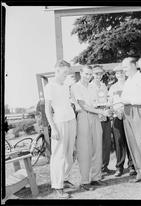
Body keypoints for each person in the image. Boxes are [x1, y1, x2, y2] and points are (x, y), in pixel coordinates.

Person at [71, 65, 110, 191]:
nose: (88, 76)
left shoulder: (93, 87)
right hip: (83, 117)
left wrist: (106, 109)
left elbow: (98, 102)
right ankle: (84, 181)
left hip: (96, 117)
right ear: (81, 73)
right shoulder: (75, 87)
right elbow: (83, 106)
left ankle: (95, 178)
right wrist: (102, 113)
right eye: (86, 74)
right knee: (85, 150)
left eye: (90, 74)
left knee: (97, 147)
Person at [44, 60, 77, 199]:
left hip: (71, 120)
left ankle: (65, 178)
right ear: (57, 71)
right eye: (64, 72)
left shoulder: (66, 85)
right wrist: (54, 129)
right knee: (59, 155)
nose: (66, 75)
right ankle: (58, 186)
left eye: (67, 72)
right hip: (59, 122)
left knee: (70, 153)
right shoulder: (50, 86)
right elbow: (47, 110)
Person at [120, 57, 141, 189]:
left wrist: (129, 100)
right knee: (133, 144)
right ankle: (140, 172)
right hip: (128, 112)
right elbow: (124, 97)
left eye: (125, 67)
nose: (124, 70)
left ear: (134, 65)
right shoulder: (129, 80)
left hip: (140, 111)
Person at [107, 65, 136, 177]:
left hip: (128, 115)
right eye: (118, 73)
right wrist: (116, 110)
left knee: (130, 141)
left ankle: (132, 166)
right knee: (119, 142)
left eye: (122, 73)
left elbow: (133, 99)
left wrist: (125, 110)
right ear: (115, 75)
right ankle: (119, 167)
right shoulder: (112, 87)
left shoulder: (130, 84)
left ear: (125, 73)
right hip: (117, 116)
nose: (120, 75)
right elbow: (110, 102)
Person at [88, 65, 113, 176]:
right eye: (96, 73)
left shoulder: (104, 86)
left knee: (106, 142)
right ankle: (97, 169)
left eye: (100, 73)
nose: (98, 76)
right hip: (95, 115)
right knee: (97, 144)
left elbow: (107, 99)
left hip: (105, 114)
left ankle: (105, 166)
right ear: (92, 74)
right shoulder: (89, 87)